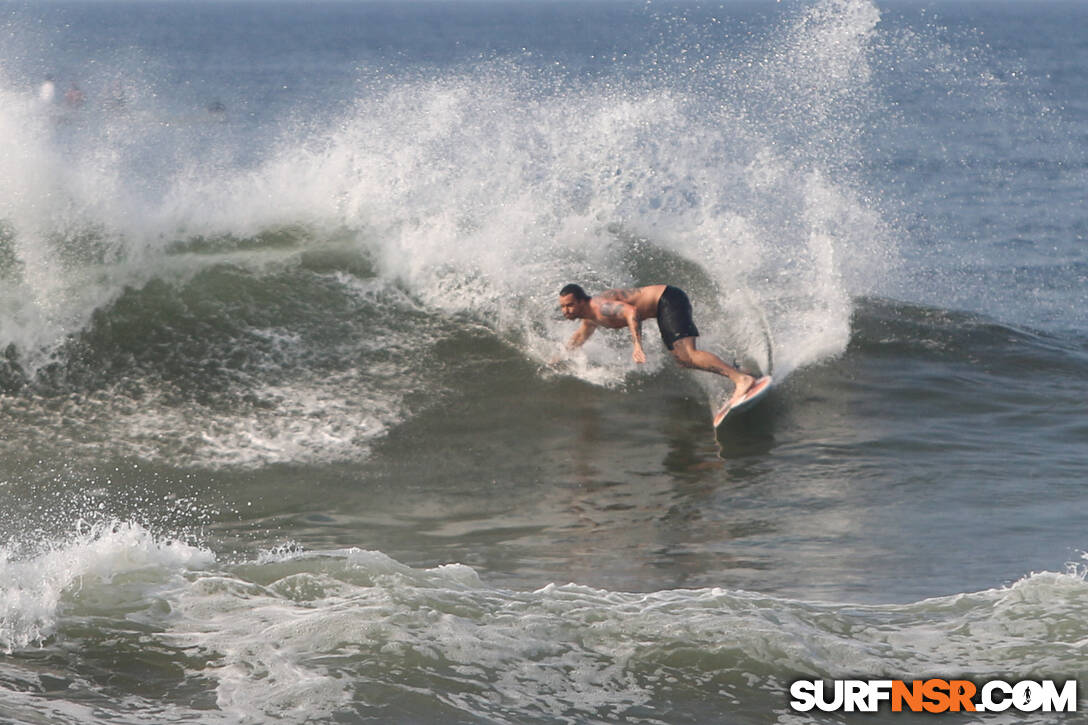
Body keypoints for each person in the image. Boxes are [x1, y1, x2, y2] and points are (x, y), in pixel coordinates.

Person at [557, 283, 757, 407]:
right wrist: (561, 356)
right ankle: (739, 370)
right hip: (663, 304)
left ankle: (741, 379)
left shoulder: (601, 308)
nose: (566, 310)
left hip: (668, 300)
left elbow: (631, 312)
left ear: (583, 301)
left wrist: (637, 346)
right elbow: (579, 337)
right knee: (682, 360)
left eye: (570, 305)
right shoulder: (589, 318)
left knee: (687, 354)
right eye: (563, 306)